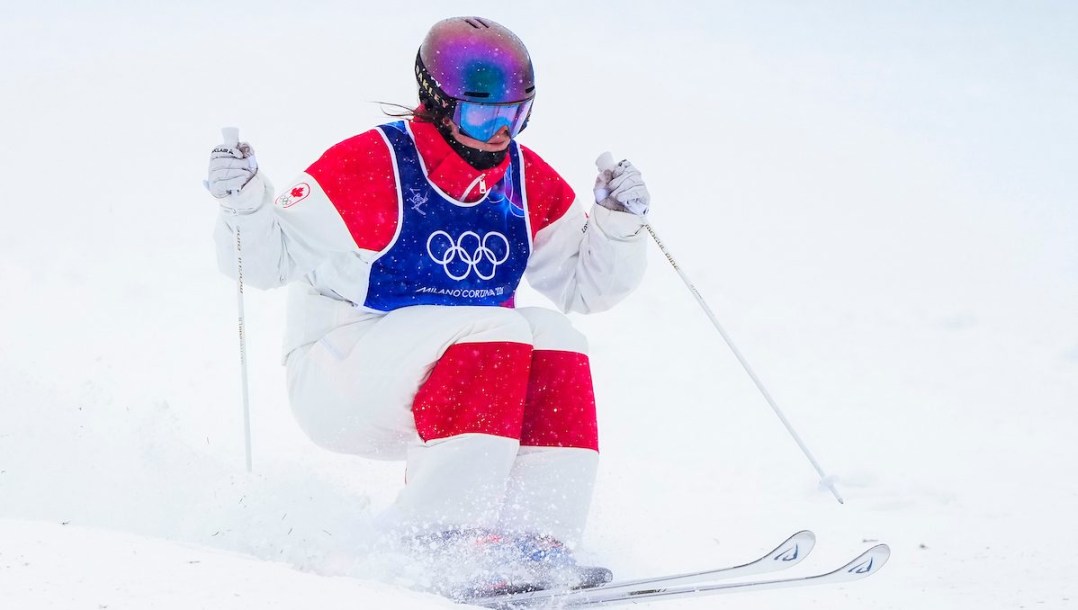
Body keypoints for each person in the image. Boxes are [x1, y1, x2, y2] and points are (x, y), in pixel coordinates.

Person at [205, 15, 651, 597]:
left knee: (556, 336)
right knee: (496, 329)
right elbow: (265, 264)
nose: (501, 133)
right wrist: (244, 205)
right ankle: (435, 542)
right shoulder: (373, 167)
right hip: (341, 369)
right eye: (482, 116)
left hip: (465, 391)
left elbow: (585, 288)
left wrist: (617, 225)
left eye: (516, 114)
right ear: (438, 104)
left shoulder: (523, 180)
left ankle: (536, 543)